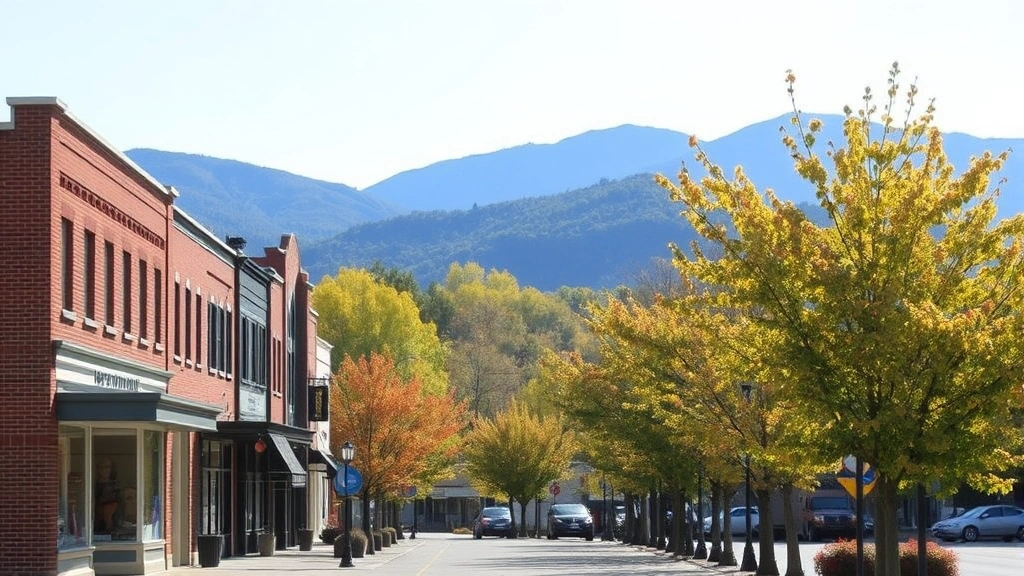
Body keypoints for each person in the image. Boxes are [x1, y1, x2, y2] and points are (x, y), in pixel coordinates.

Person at [95, 458, 122, 533]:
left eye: (108, 467)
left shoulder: (115, 486)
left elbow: (119, 503)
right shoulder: (94, 485)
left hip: (113, 518)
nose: (106, 470)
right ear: (98, 469)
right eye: (103, 467)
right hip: (97, 517)